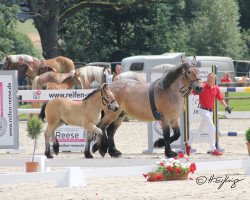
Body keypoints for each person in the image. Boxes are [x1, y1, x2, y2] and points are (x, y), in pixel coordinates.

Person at [185, 73, 232, 156]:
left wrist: (227, 106)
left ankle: (188, 144)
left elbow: (220, 99)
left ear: (214, 81)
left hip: (210, 112)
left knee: (200, 130)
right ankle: (213, 149)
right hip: (202, 110)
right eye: (208, 80)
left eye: (211, 80)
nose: (209, 82)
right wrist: (185, 94)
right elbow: (192, 92)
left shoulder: (216, 88)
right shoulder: (202, 86)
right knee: (212, 127)